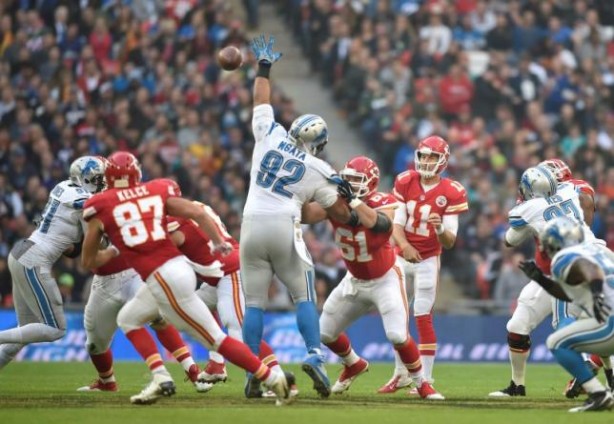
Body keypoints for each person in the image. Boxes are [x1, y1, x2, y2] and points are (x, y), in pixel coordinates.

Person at [81, 151, 289, 405]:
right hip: (181, 270)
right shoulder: (156, 190)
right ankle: (161, 376)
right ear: (137, 174)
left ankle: (272, 379)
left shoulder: (101, 205)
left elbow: (89, 261)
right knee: (129, 318)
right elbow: (197, 214)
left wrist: (115, 249)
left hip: (166, 276)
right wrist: (217, 243)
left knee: (219, 339)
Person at [241, 34, 353, 398]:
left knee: (254, 303)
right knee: (304, 296)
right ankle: (315, 357)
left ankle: (253, 372)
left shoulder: (270, 135)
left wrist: (264, 66)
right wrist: (345, 198)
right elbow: (329, 212)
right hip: (283, 226)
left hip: (250, 224)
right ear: (317, 141)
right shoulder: (317, 167)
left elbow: (261, 99)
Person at [302, 156, 444, 400]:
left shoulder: (384, 201)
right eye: (347, 179)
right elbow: (306, 215)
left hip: (385, 278)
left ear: (372, 182)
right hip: (354, 280)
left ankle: (422, 383)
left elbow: (379, 224)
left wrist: (354, 201)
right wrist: (302, 191)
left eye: (356, 181)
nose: (350, 184)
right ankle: (353, 363)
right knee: (324, 333)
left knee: (398, 336)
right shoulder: (334, 202)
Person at [167, 196, 298, 398]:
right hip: (221, 273)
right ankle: (216, 364)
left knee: (240, 332)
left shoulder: (177, 225)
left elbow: (165, 252)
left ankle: (280, 379)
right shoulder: (195, 207)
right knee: (190, 312)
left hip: (230, 272)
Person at [489, 165, 602, 398]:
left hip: (573, 269)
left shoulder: (542, 202)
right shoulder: (570, 191)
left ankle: (596, 385)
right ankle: (517, 385)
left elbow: (510, 239)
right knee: (517, 325)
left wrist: (529, 216)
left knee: (573, 327)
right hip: (554, 271)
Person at [379, 135, 468, 394]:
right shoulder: (405, 181)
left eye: (432, 157)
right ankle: (400, 374)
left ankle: (425, 378)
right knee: (397, 314)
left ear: (443, 161)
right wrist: (405, 246)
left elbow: (450, 241)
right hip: (401, 256)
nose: (427, 161)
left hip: (428, 258)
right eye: (424, 156)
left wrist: (440, 230)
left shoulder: (452, 190)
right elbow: (396, 223)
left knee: (422, 317)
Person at [0, 156, 105, 370]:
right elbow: (93, 244)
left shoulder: (63, 186)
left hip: (23, 252)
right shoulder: (84, 200)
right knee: (55, 328)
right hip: (34, 260)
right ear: (84, 178)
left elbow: (71, 247)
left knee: (25, 332)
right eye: (97, 179)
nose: (101, 183)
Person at [77, 248, 207, 393]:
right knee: (94, 344)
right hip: (104, 283)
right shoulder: (88, 225)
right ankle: (107, 382)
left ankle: (191, 369)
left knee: (158, 318)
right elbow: (84, 259)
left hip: (135, 273)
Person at [522, 217, 614, 412]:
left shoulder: (564, 257)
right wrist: (541, 280)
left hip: (610, 319)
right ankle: (608, 382)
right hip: (608, 314)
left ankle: (598, 394)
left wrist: (597, 292)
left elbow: (590, 270)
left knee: (556, 343)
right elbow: (569, 295)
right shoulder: (598, 251)